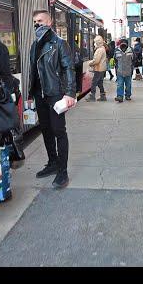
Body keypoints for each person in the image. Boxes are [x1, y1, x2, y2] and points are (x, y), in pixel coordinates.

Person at [29, 10, 76, 189]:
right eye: (34, 22)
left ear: (49, 23)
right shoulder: (35, 45)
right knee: (46, 130)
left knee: (58, 131)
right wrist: (29, 94)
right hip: (40, 95)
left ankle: (62, 172)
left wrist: (70, 93)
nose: (37, 25)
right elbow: (34, 71)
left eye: (40, 21)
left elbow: (68, 68)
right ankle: (52, 162)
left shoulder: (59, 43)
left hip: (55, 94)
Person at [86, 35, 107, 102]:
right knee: (100, 82)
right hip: (102, 68)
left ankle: (92, 96)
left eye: (95, 42)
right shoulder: (102, 48)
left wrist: (90, 63)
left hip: (98, 68)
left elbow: (96, 60)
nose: (94, 43)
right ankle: (103, 96)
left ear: (98, 42)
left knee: (94, 83)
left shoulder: (99, 50)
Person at [114, 37, 133, 102]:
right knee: (120, 84)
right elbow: (115, 60)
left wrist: (131, 67)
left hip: (128, 71)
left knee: (128, 85)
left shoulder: (130, 50)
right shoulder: (117, 51)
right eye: (122, 44)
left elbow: (134, 60)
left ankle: (128, 95)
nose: (123, 45)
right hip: (120, 71)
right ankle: (120, 96)